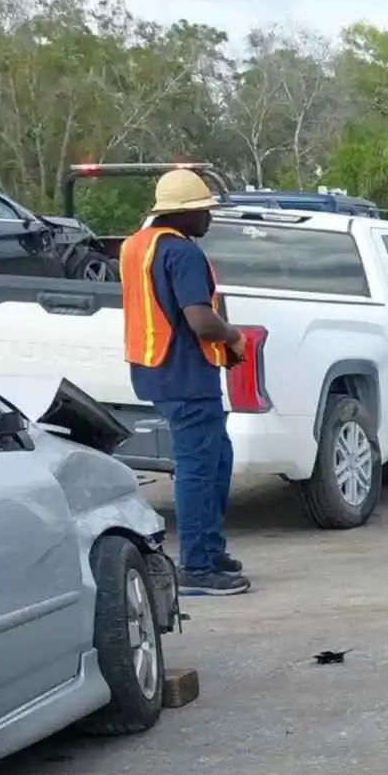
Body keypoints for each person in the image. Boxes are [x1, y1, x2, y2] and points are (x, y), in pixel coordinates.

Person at [120, 169, 249, 596]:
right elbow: (200, 319)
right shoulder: (183, 253)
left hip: (154, 370)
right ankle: (197, 566)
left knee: (215, 460)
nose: (208, 218)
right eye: (202, 211)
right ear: (182, 215)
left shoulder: (137, 246)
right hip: (187, 376)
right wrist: (233, 337)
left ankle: (209, 551)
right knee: (200, 470)